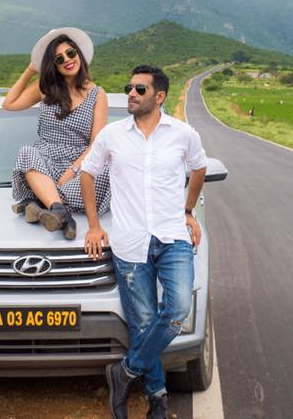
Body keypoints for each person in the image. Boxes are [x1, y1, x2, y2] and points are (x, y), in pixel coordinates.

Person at [79, 65, 207, 419]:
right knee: (143, 322)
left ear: (159, 96)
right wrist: (92, 224)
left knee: (178, 310)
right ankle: (158, 402)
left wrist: (188, 209)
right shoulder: (112, 135)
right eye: (129, 88)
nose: (131, 94)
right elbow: (87, 173)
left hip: (172, 236)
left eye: (139, 89)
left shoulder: (183, 134)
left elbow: (199, 169)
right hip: (130, 242)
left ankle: (124, 372)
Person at [3, 27, 111, 238]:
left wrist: (71, 172)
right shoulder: (45, 88)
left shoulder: (98, 94)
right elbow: (9, 104)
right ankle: (62, 214)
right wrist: (31, 70)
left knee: (106, 172)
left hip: (78, 166)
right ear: (54, 65)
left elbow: (95, 144)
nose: (67, 60)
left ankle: (39, 201)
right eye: (59, 59)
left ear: (79, 54)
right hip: (43, 164)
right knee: (26, 152)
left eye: (71, 53)